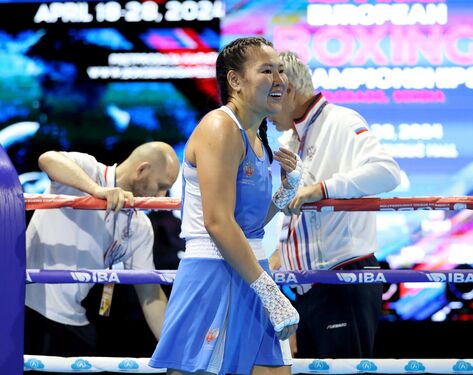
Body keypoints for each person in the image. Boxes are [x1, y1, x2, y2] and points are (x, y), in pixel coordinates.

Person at [150, 37, 301, 375]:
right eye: (266, 70)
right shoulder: (220, 127)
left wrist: (285, 191)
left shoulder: (257, 136)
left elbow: (247, 223)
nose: (279, 79)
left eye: (280, 70)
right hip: (215, 272)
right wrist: (269, 291)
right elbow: (217, 222)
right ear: (235, 81)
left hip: (250, 267)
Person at [268, 51, 401, 359]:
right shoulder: (289, 139)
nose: (265, 107)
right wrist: (278, 255)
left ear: (287, 89)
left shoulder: (341, 120)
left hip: (343, 280)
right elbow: (297, 212)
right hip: (305, 288)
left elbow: (388, 171)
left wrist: (323, 189)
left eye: (269, 94)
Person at [24, 142, 180, 369]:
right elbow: (47, 159)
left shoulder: (140, 226)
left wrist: (177, 353)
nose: (162, 197)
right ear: (141, 170)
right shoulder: (89, 170)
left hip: (74, 321)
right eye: (161, 186)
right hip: (28, 310)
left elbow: (150, 295)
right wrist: (96, 191)